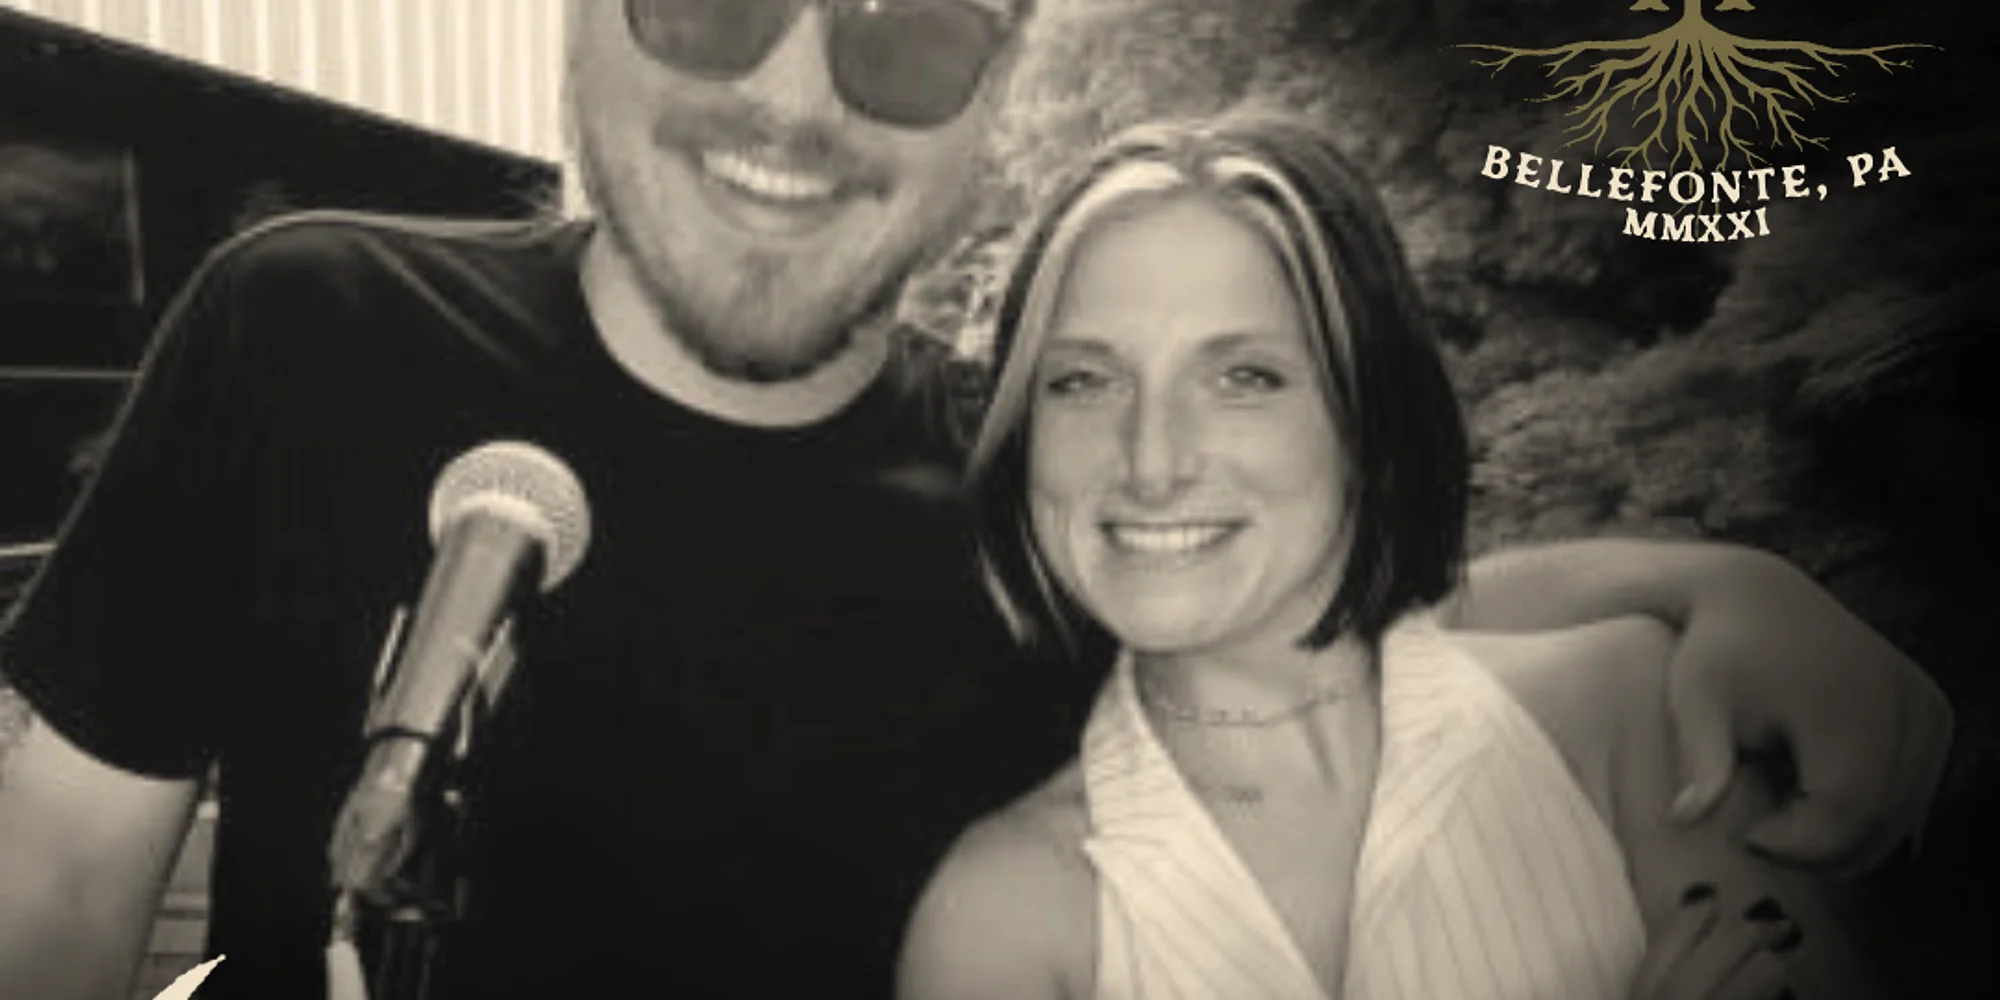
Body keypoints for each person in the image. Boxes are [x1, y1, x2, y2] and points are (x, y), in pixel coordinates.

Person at [0, 3, 1950, 999]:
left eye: (911, 33)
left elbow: (1319, 610)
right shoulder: (305, 324)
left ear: (995, 94)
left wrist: (1707, 582)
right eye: (711, 0)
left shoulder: (1042, 501)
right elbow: (64, 891)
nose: (795, 97)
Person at [899, 112, 1895, 1000]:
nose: (1152, 462)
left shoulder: (1627, 723)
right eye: (1083, 381)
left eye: (1244, 376)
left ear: (1368, 420)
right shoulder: (1001, 921)